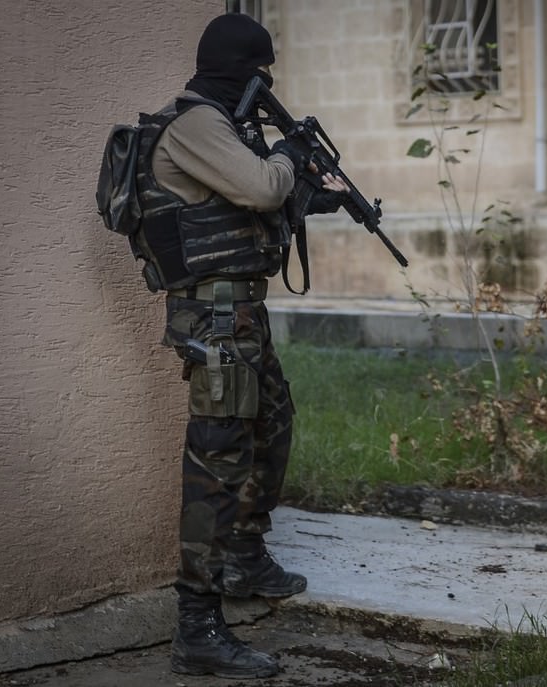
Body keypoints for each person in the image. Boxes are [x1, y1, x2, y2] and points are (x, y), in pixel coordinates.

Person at [134, 13, 348, 679]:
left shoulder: (225, 125)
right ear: (238, 68)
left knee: (271, 425)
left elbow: (248, 204)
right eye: (261, 70)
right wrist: (289, 156)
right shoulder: (196, 122)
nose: (267, 81)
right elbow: (259, 186)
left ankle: (246, 557)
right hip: (214, 320)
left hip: (242, 316)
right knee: (216, 459)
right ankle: (197, 624)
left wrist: (312, 193)